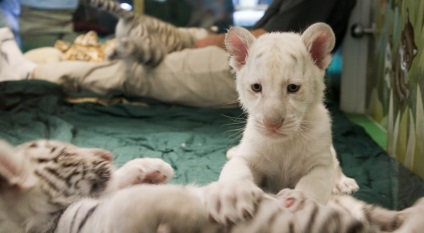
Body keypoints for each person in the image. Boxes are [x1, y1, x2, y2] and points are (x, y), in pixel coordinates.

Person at [0, 0, 357, 108]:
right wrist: (201, 37)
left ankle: (28, 72)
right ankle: (103, 51)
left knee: (137, 73)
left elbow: (270, 41)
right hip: (249, 52)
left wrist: (212, 42)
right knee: (172, 35)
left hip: (250, 70)